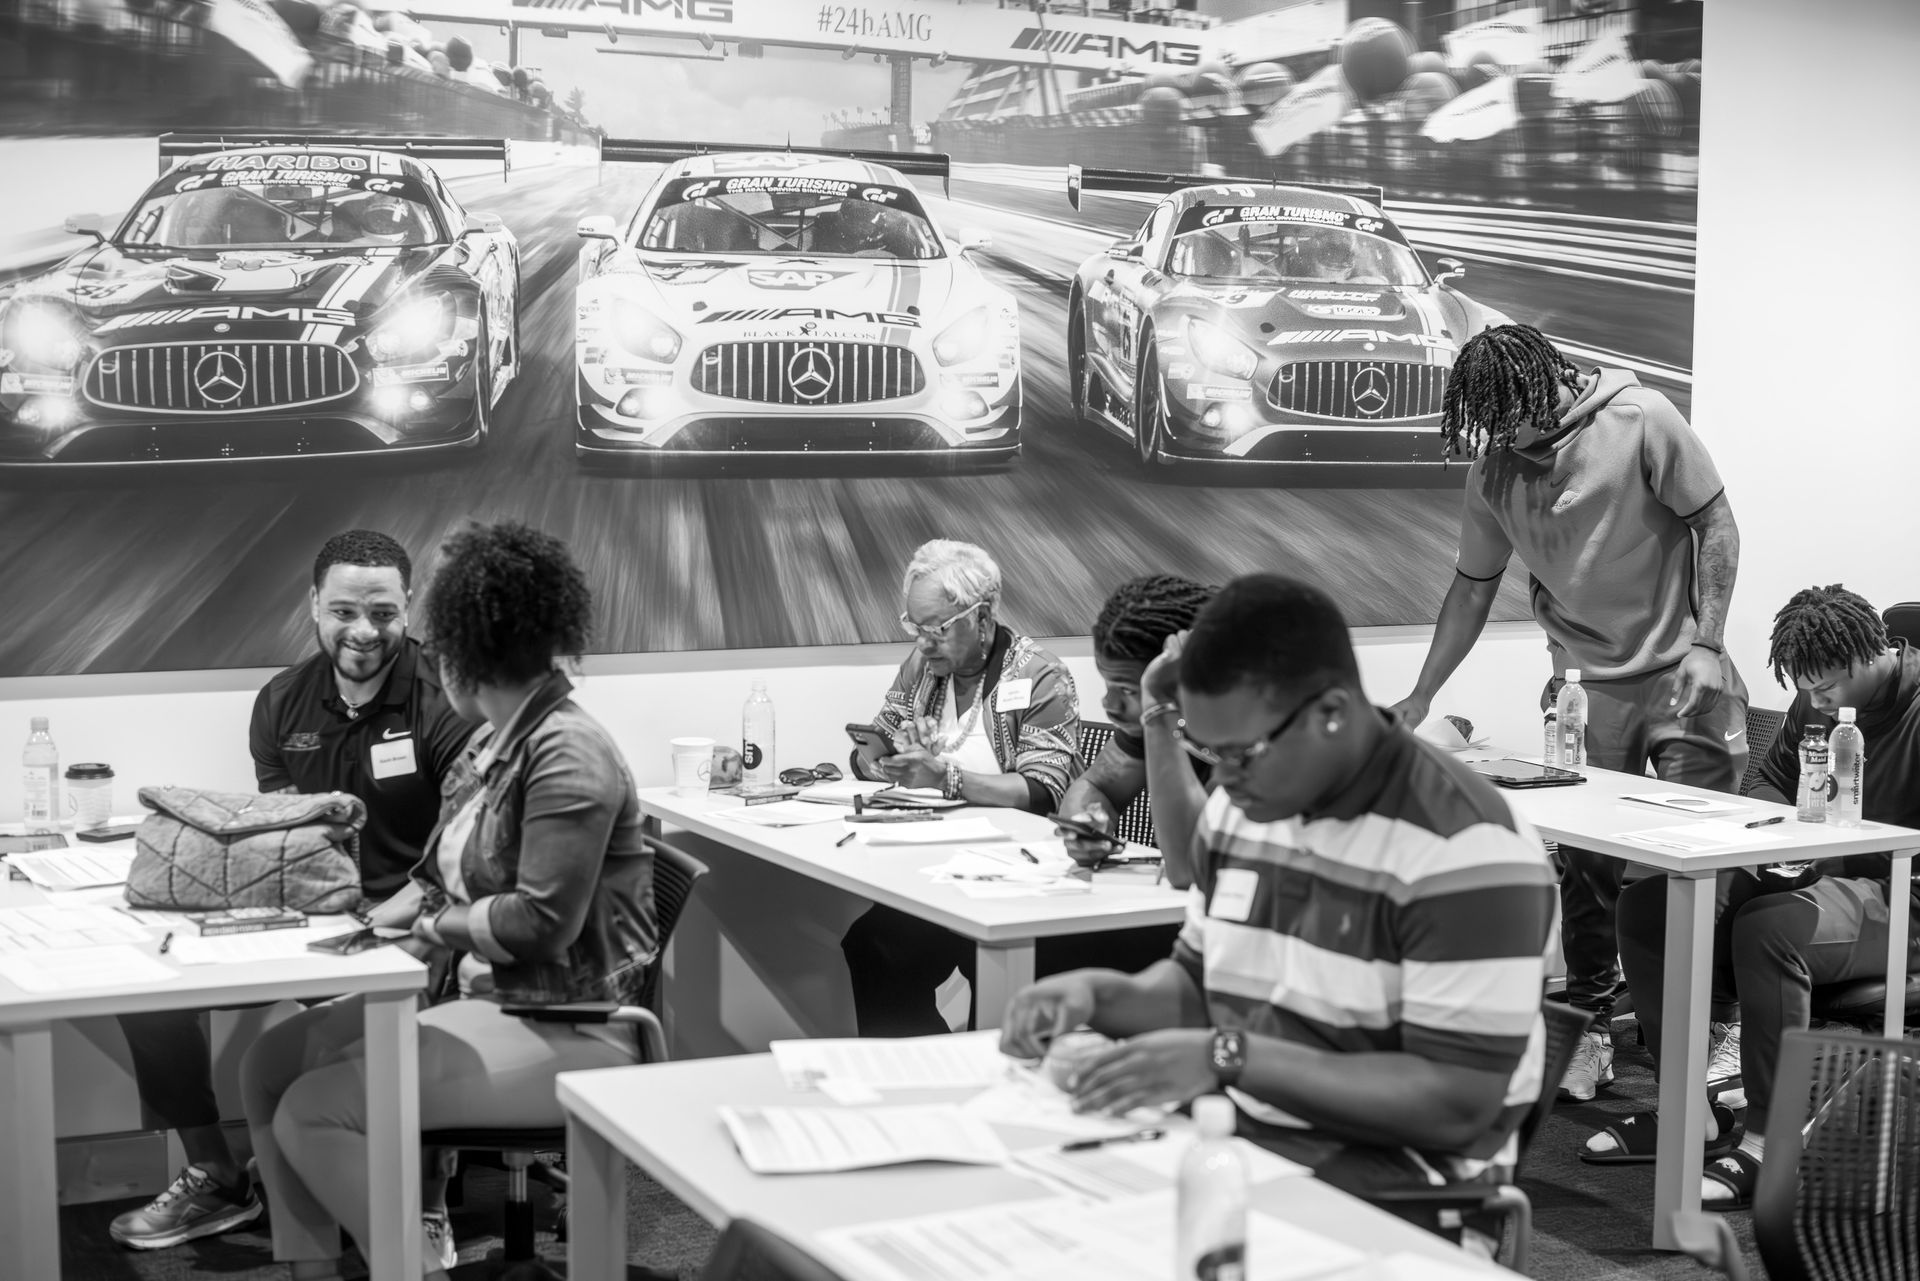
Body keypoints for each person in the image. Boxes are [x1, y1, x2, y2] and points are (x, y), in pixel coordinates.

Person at [1002, 575, 1556, 1228]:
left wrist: (1225, 1055)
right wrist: (1098, 996)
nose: (1224, 777)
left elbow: (1451, 1104)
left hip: (1399, 1192)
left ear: (1332, 712)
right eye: (1211, 752)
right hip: (1244, 1139)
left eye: (1242, 754)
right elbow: (1199, 984)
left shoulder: (1466, 846)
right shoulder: (1243, 811)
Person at [240, 521, 657, 1281]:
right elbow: (436, 878)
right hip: (487, 1000)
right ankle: (314, 1268)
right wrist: (366, 930)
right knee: (269, 1065)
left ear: (464, 654)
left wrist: (427, 927)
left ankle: (412, 1270)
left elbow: (539, 924)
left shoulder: (569, 752)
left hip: (568, 1023)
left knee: (313, 1110)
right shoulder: (498, 743)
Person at [1392, 323, 1748, 1102]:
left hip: (1682, 672)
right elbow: (1472, 588)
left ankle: (1718, 1025)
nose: (1504, 440)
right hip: (1585, 686)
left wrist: (1709, 642)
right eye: (1490, 427)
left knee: (1695, 862)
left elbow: (1716, 524)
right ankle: (1590, 1027)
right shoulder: (1494, 469)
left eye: (1511, 421)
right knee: (1587, 870)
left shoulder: (1642, 418)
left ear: (1544, 388)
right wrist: (1422, 693)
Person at [108, 530, 473, 1252]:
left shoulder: (448, 701)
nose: (364, 630)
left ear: (409, 607)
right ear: (313, 605)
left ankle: (427, 1204)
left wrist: (391, 921)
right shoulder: (281, 700)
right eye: (344, 611)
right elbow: (281, 833)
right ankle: (217, 1176)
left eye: (383, 612)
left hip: (410, 919)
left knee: (416, 1009)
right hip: (309, 913)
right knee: (146, 989)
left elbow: (461, 852)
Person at [1581, 585, 1920, 1209]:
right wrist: (1782, 837)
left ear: (1872, 652)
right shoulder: (1816, 700)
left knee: (1769, 927)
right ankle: (1689, 1110)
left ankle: (1771, 1141)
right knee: (1651, 907)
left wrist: (1824, 851)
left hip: (1904, 894)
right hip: (1821, 872)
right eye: (1807, 689)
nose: (1818, 702)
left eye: (1828, 687)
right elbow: (1770, 779)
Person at [840, 539, 1082, 1036]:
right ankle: (918, 1070)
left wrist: (945, 778)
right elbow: (867, 750)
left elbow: (1044, 791)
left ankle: (960, 1066)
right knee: (872, 945)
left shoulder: (1040, 675)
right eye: (914, 628)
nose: (924, 644)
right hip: (934, 870)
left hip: (1017, 879)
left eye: (937, 630)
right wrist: (891, 759)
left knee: (909, 950)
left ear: (983, 617)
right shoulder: (922, 668)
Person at [1057, 573, 1216, 889]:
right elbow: (1099, 787)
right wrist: (1085, 827)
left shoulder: (1252, 733)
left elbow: (1189, 866)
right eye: (1108, 685)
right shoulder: (1150, 719)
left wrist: (1157, 707)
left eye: (1129, 690)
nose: (1109, 704)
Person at [808, 195, 922, 258]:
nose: (861, 227)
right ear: (842, 219)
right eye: (855, 220)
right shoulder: (825, 239)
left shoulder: (892, 239)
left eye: (865, 222)